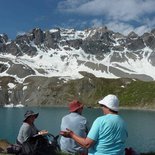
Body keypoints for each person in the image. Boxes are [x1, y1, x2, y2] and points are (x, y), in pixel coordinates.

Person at [60, 94, 128, 155]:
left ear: (107, 106)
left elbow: (87, 144)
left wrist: (71, 135)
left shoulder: (100, 120)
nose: (102, 108)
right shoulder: (123, 122)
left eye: (102, 106)